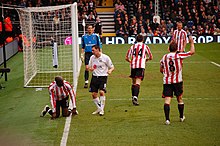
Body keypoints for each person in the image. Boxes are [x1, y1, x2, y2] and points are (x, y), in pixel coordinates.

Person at [160, 36, 195, 125]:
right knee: (179, 98)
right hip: (177, 81)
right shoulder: (178, 55)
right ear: (177, 49)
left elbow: (161, 69)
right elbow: (192, 52)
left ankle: (167, 119)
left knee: (167, 100)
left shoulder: (164, 57)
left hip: (167, 82)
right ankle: (181, 117)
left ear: (168, 49)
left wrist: (166, 73)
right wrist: (191, 42)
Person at [125, 34, 153, 106]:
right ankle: (135, 97)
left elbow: (127, 57)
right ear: (143, 40)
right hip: (141, 66)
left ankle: (133, 96)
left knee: (133, 82)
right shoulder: (145, 46)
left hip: (133, 66)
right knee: (138, 82)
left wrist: (131, 61)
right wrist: (146, 59)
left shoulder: (132, 46)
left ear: (136, 39)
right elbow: (151, 57)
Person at [88, 45, 114, 116]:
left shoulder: (105, 57)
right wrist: (90, 69)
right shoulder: (92, 58)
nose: (92, 52)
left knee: (102, 92)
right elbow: (89, 67)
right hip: (94, 77)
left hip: (103, 77)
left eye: (93, 50)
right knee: (94, 94)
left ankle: (101, 110)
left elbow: (112, 67)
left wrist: (110, 71)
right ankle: (99, 108)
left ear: (98, 50)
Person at [81, 24, 102, 88]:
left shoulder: (96, 36)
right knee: (87, 68)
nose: (90, 29)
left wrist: (100, 53)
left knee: (96, 67)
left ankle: (98, 81)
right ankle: (86, 82)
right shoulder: (84, 37)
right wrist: (82, 55)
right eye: (88, 28)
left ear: (93, 29)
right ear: (87, 29)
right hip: (87, 54)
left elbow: (99, 45)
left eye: (91, 28)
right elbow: (83, 47)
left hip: (95, 54)